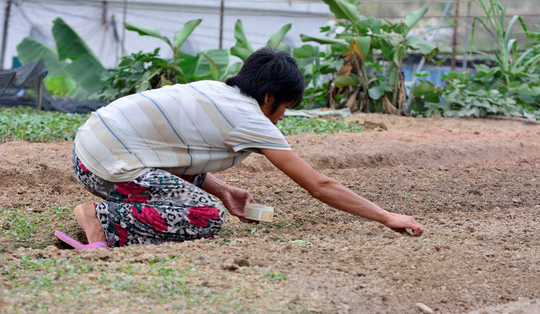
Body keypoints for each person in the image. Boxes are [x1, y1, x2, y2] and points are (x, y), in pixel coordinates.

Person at [55, 47, 423, 249]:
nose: (280, 120)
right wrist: (386, 216)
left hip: (89, 149)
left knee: (208, 200)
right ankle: (101, 220)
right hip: (107, 166)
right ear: (269, 98)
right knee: (206, 217)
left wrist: (224, 189)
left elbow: (172, 153)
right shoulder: (251, 119)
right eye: (284, 109)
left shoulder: (216, 90)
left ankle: (116, 210)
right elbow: (318, 185)